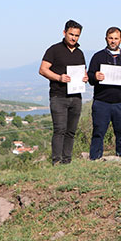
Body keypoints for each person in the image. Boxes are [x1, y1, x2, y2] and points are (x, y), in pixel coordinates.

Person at [39, 19, 88, 165]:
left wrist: (85, 77)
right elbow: (42, 70)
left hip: (76, 96)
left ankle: (67, 160)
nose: (73, 38)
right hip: (58, 96)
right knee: (59, 129)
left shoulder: (80, 53)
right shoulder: (54, 50)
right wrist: (59, 78)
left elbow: (83, 71)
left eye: (77, 35)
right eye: (71, 34)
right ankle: (56, 161)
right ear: (64, 33)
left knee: (71, 131)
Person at [87, 27, 121, 160]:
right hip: (101, 102)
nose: (113, 41)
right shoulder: (98, 57)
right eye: (111, 38)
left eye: (116, 38)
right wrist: (95, 76)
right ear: (106, 39)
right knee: (98, 133)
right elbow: (90, 77)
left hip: (120, 102)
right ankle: (95, 158)